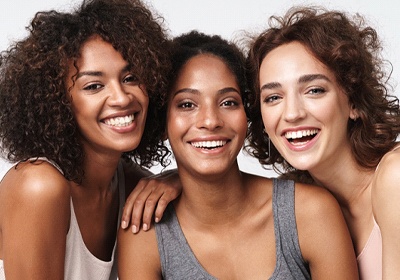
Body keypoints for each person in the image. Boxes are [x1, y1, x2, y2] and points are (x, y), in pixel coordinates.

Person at [117, 30, 358, 279]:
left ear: (248, 114)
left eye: (228, 102)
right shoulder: (144, 232)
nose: (210, 121)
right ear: (163, 120)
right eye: (187, 104)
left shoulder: (309, 212)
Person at [0, 0, 181, 279]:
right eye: (94, 86)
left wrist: (180, 179)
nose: (122, 98)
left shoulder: (131, 185)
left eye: (131, 77)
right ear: (58, 102)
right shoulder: (38, 186)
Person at [246, 6, 400, 279]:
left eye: (314, 90)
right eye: (273, 97)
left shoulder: (394, 176)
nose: (292, 113)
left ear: (353, 101)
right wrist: (177, 180)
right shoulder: (299, 200)